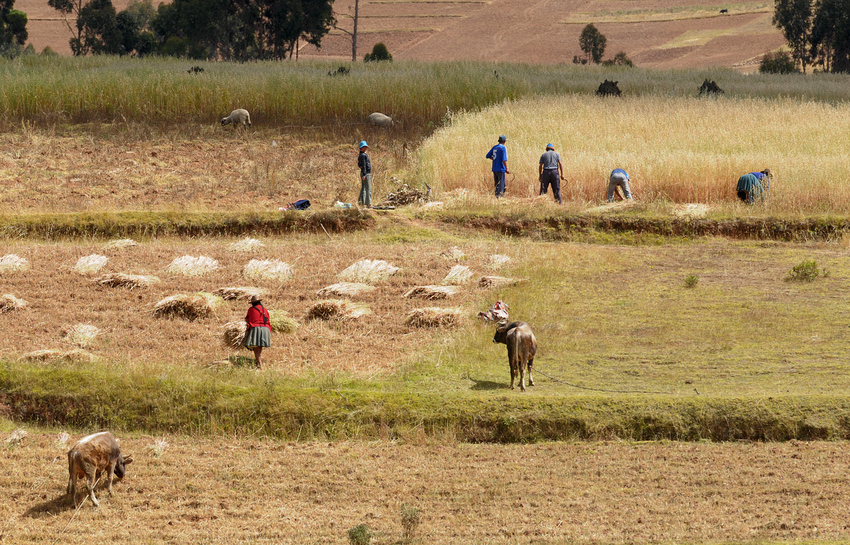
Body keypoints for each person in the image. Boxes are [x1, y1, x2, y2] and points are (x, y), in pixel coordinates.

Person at [244, 294, 271, 369]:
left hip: (256, 329)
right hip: (266, 329)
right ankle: (258, 362)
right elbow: (268, 320)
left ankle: (260, 366)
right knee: (259, 347)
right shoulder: (265, 310)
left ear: (252, 303)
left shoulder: (251, 309)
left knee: (256, 348)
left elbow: (248, 319)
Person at [357, 140, 372, 208]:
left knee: (363, 188)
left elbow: (359, 164)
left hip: (363, 173)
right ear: (361, 148)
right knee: (368, 188)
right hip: (366, 173)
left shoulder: (361, 155)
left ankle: (361, 202)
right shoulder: (363, 155)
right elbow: (364, 165)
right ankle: (368, 203)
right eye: (364, 147)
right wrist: (365, 174)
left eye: (366, 147)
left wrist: (362, 169)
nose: (365, 148)